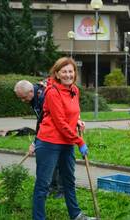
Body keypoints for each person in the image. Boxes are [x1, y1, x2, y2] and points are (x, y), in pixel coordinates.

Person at [32, 57, 91, 220]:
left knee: (69, 181)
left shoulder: (74, 90)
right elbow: (60, 122)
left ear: (75, 73)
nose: (67, 75)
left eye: (70, 71)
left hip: (67, 142)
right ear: (57, 74)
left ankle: (76, 215)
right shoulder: (52, 92)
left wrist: (77, 120)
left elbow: (71, 112)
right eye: (64, 71)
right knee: (43, 185)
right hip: (49, 142)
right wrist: (80, 141)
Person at [14, 79, 65, 199]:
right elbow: (40, 121)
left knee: (60, 161)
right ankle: (52, 187)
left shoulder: (44, 97)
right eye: (21, 98)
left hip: (61, 131)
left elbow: (45, 121)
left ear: (31, 91)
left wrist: (35, 142)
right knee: (49, 160)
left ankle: (63, 190)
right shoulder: (34, 98)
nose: (23, 100)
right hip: (49, 132)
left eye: (24, 97)